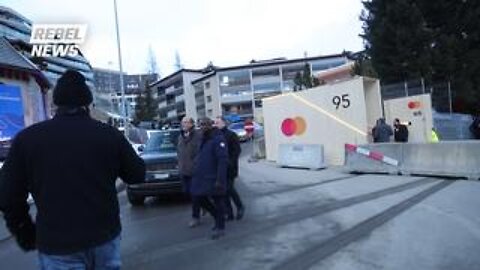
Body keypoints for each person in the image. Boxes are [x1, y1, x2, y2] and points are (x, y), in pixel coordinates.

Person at [0, 70, 145, 269]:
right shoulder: (109, 135)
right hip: (104, 236)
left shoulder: (27, 139)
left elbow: (8, 195)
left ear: (56, 104)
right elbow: (137, 174)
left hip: (57, 242)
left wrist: (24, 231)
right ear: (87, 103)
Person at [191, 118, 228, 239]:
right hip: (202, 177)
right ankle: (217, 217)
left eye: (204, 124)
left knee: (218, 202)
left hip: (214, 177)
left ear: (210, 125)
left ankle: (220, 227)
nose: (201, 127)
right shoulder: (203, 138)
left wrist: (220, 179)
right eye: (200, 124)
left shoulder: (218, 138)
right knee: (198, 197)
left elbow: (222, 160)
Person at [177, 116, 214, 227]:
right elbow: (179, 152)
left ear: (192, 124)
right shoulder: (180, 136)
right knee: (188, 192)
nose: (183, 124)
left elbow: (201, 152)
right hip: (184, 171)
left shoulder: (198, 135)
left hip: (195, 171)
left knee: (195, 195)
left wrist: (197, 165)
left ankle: (195, 217)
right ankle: (206, 205)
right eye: (182, 122)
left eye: (186, 122)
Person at [214, 116, 244, 221]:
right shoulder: (215, 136)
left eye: (218, 123)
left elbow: (236, 151)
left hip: (230, 168)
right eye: (215, 123)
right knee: (223, 191)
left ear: (224, 123)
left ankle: (240, 207)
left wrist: (230, 162)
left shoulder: (231, 135)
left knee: (229, 189)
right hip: (219, 168)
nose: (215, 125)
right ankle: (229, 213)